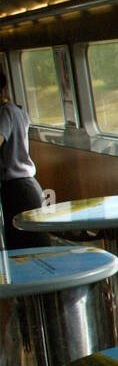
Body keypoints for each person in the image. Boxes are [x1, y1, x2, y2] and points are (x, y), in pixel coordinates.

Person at [0, 70, 51, 250]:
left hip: (19, 189)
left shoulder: (6, 113)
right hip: (20, 187)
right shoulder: (17, 111)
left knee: (30, 246)